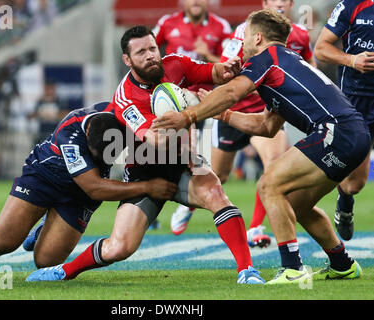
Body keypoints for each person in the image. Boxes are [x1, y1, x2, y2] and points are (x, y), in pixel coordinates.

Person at [25, 26, 265, 284]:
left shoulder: (175, 64)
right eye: (141, 52)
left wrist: (226, 69)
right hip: (144, 171)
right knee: (119, 247)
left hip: (184, 161)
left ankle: (247, 271)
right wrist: (191, 106)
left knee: (216, 194)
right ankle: (64, 271)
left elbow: (213, 72)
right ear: (127, 60)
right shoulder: (126, 97)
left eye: (152, 48)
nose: (151, 55)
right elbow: (157, 141)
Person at [152, 9, 369, 284]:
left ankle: (292, 269)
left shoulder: (267, 59)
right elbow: (266, 126)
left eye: (244, 38)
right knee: (295, 203)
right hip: (352, 134)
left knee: (268, 185)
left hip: (336, 132)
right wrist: (225, 115)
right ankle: (343, 264)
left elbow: (232, 92)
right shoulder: (287, 63)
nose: (241, 44)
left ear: (257, 37)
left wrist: (186, 116)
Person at [0, 102, 178, 280]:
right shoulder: (71, 135)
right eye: (96, 155)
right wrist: (148, 187)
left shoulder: (122, 116)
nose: (101, 159)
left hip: (79, 196)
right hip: (44, 177)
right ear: (87, 134)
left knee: (46, 261)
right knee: (5, 242)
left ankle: (42, 232)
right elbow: (95, 188)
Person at [170, 0, 316, 246]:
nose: (279, 3)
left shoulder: (299, 35)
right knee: (219, 175)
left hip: (268, 112)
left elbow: (309, 66)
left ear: (291, 4)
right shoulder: (245, 32)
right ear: (265, 3)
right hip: (233, 111)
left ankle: (255, 227)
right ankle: (190, 204)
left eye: (284, 0)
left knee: (273, 165)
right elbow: (227, 71)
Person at [153, 0, 233, 232]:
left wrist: (207, 53)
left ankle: (189, 204)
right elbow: (146, 52)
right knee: (152, 154)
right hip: (172, 104)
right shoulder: (167, 23)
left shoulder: (222, 27)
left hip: (208, 102)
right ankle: (144, 207)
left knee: (219, 172)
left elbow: (229, 66)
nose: (196, 1)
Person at [313, 0, 374, 241]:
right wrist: (352, 60)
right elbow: (320, 49)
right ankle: (345, 199)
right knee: (354, 184)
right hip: (357, 102)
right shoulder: (352, 6)